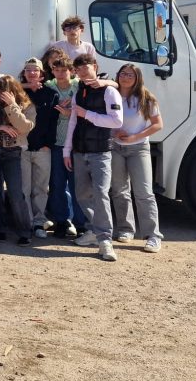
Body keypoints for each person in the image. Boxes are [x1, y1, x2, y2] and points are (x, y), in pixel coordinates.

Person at [64, 54, 124, 262]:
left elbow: (117, 122)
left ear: (95, 67)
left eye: (85, 67)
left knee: (101, 194)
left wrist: (87, 114)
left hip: (101, 152)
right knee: (82, 195)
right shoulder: (78, 92)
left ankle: (105, 240)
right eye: (78, 68)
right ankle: (94, 230)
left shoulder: (109, 91)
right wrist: (67, 151)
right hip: (79, 152)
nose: (81, 71)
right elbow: (73, 122)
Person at [109, 64, 164, 253]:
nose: (125, 77)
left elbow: (158, 125)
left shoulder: (146, 98)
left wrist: (135, 137)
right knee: (119, 190)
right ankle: (125, 229)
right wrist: (114, 132)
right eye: (122, 73)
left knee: (144, 192)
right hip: (115, 147)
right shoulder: (110, 94)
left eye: (130, 75)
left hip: (138, 148)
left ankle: (153, 236)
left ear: (137, 78)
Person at [0, 75, 36, 245]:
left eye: (5, 89)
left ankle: (24, 231)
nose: (1, 93)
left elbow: (24, 127)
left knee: (16, 194)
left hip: (14, 153)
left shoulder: (27, 106)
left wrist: (12, 106)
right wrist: (0, 127)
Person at [20, 57, 58, 239]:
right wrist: (24, 87)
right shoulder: (18, 92)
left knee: (40, 189)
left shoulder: (51, 94)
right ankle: (26, 222)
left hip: (42, 149)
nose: (31, 73)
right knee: (24, 189)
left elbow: (53, 123)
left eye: (35, 70)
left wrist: (47, 144)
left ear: (42, 73)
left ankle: (39, 222)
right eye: (28, 70)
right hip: (22, 148)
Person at [46, 55, 82, 238]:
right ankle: (61, 221)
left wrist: (71, 111)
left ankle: (81, 223)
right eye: (57, 70)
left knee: (77, 185)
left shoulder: (78, 87)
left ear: (72, 71)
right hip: (55, 144)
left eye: (64, 70)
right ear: (52, 71)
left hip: (76, 143)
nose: (60, 73)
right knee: (57, 184)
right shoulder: (48, 87)